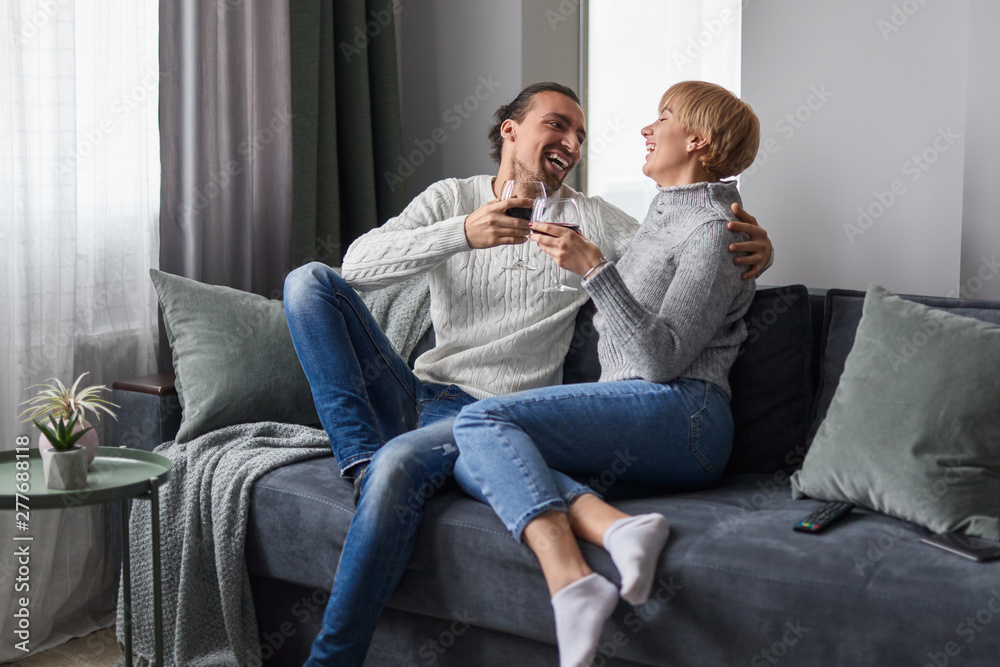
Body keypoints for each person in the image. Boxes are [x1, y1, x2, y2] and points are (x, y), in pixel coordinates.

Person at [282, 81, 772, 666]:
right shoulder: (451, 197)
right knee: (308, 282)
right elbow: (357, 266)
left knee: (419, 457)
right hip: (419, 391)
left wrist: (759, 252)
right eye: (556, 125)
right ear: (510, 129)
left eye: (580, 135)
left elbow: (683, 251)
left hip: (496, 409)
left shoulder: (590, 219)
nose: (572, 142)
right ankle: (362, 461)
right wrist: (463, 233)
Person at [450, 81, 761, 667]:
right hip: (643, 410)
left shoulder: (715, 230)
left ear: (698, 139)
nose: (646, 129)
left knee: (481, 419)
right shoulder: (661, 221)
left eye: (662, 117)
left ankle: (572, 582)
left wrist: (594, 268)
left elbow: (662, 360)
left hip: (687, 415)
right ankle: (622, 531)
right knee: (469, 457)